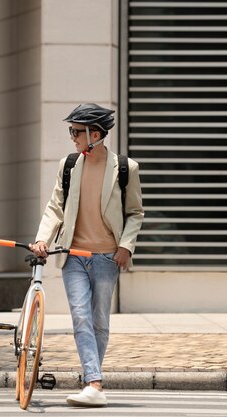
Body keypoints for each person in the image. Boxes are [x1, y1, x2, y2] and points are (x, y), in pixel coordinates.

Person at [30, 103, 144, 407]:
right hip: (74, 256)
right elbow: (55, 206)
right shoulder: (69, 165)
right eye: (71, 131)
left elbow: (135, 213)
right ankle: (94, 382)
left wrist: (126, 246)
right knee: (81, 316)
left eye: (76, 131)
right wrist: (42, 238)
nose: (72, 137)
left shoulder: (124, 168)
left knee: (99, 322)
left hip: (108, 257)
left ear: (96, 134)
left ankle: (91, 381)